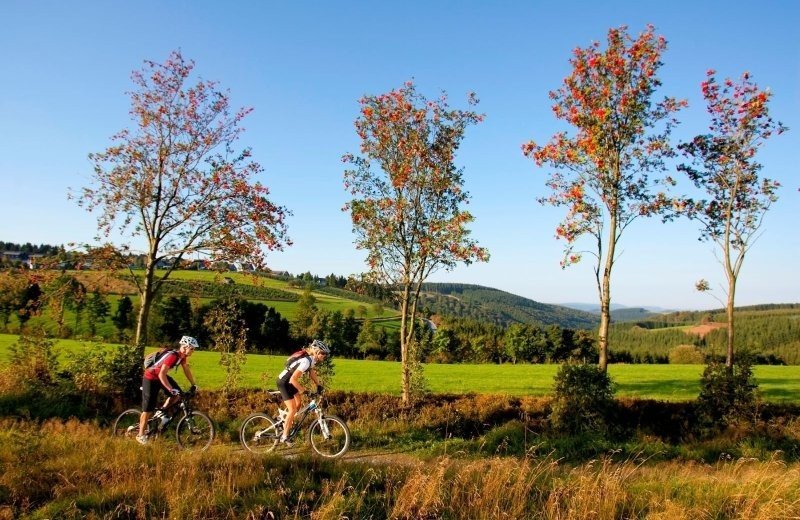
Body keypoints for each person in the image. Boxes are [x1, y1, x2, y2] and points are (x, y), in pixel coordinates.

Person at [136, 335, 199, 445]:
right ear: (185, 347)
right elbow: (161, 374)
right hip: (150, 378)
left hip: (161, 377)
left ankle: (161, 413)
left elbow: (186, 370)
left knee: (178, 395)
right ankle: (140, 435)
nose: (193, 351)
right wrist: (170, 388)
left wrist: (194, 384)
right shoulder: (172, 356)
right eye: (192, 348)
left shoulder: (182, 357)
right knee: (148, 409)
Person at [276, 339, 329, 445]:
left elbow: (311, 372)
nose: (324, 356)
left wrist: (318, 385)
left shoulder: (312, 360)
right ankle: (284, 436)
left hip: (289, 383)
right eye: (323, 353)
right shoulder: (306, 361)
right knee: (292, 409)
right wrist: (305, 391)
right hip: (284, 382)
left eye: (326, 354)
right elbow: (293, 380)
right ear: (316, 352)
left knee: (299, 403)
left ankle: (284, 421)